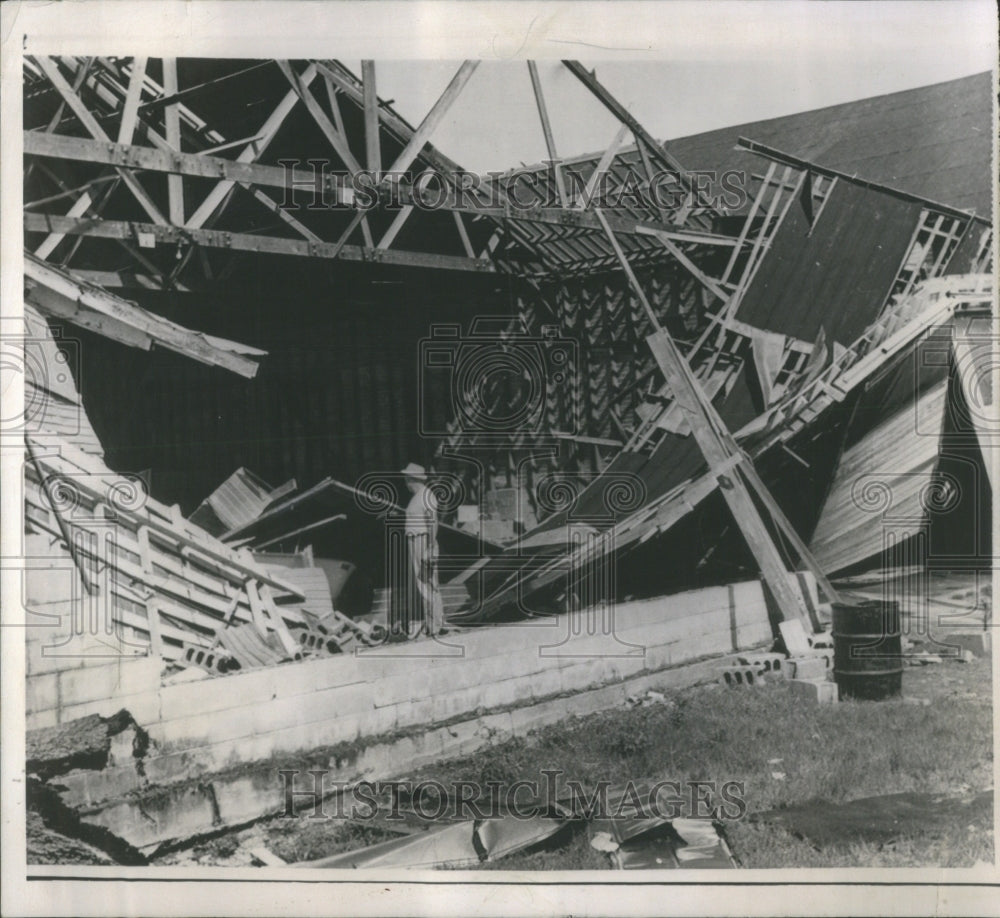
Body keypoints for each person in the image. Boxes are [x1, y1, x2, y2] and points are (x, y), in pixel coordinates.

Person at [400, 462, 445, 637]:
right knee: (423, 583)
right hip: (416, 540)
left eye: (407, 479)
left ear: (412, 479)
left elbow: (433, 522)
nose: (405, 483)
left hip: (423, 541)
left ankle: (435, 624)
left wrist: (430, 547)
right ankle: (433, 622)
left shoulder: (427, 495)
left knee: (427, 583)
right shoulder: (418, 496)